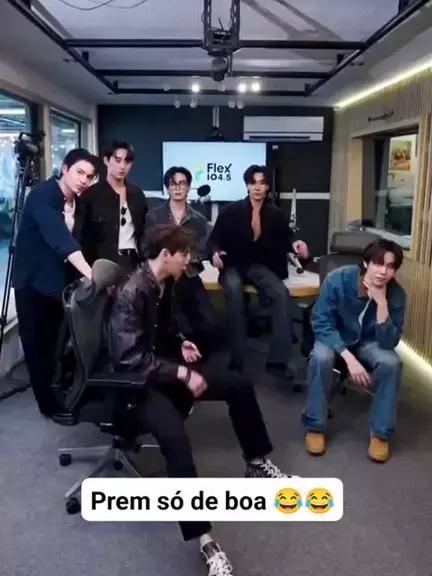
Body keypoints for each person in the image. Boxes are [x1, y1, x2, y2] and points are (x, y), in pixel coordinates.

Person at [107, 223, 295, 576]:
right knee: (176, 441)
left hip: (163, 368)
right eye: (184, 255)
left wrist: (181, 343)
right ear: (166, 255)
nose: (189, 261)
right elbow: (128, 359)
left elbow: (163, 332)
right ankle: (205, 541)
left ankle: (256, 461)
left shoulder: (165, 282)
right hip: (139, 384)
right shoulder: (133, 291)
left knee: (238, 385)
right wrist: (182, 373)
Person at [13, 148, 99, 420]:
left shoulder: (79, 203)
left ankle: (61, 392)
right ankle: (48, 406)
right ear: (65, 169)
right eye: (79, 172)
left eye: (89, 176)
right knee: (37, 348)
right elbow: (60, 240)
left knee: (57, 346)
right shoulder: (43, 195)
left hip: (58, 284)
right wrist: (93, 276)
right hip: (33, 283)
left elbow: (83, 242)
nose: (83, 180)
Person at [302, 238, 406, 463]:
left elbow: (389, 342)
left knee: (391, 363)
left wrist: (382, 304)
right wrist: (348, 358)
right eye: (378, 263)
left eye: (390, 267)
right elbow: (321, 322)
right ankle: (315, 427)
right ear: (366, 263)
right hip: (335, 336)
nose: (383, 272)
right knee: (320, 357)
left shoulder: (396, 294)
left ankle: (380, 434)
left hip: (370, 342)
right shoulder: (338, 279)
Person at [207, 164, 309, 377]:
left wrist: (296, 245)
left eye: (262, 183)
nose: (257, 187)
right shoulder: (231, 211)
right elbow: (213, 241)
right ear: (247, 185)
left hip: (259, 266)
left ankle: (278, 361)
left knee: (281, 294)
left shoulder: (276, 214)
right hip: (233, 264)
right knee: (234, 292)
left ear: (267, 187)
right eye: (253, 183)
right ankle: (236, 358)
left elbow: (287, 239)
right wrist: (215, 254)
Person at [144, 167, 217, 356]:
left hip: (188, 274)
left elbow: (207, 247)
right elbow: (147, 247)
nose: (177, 188)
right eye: (173, 184)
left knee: (208, 321)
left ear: (189, 187)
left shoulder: (198, 220)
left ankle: (194, 351)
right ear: (167, 187)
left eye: (182, 183)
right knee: (167, 316)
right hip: (162, 275)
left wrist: (194, 258)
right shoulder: (154, 216)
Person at [75, 140, 148, 273]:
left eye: (127, 162)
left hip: (134, 262)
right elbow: (81, 237)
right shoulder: (91, 195)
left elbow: (144, 231)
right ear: (106, 160)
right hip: (102, 264)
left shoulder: (137, 194)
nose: (122, 166)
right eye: (118, 160)